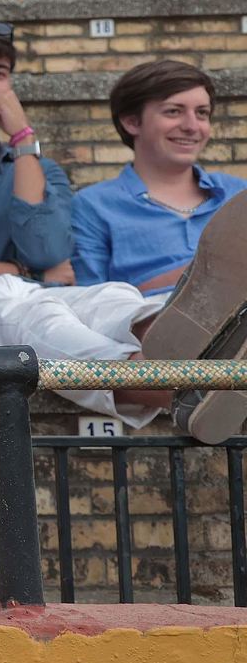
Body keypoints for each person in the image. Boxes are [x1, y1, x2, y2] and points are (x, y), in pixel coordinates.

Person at [0, 23, 241, 440]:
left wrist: (23, 141)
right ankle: (177, 391)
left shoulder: (39, 169)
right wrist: (17, 271)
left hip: (31, 292)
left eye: (0, 73)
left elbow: (46, 250)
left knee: (113, 298)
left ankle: (218, 343)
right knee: (32, 320)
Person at [72, 59, 247, 440]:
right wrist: (191, 275)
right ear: (132, 122)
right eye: (174, 112)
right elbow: (88, 299)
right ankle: (209, 377)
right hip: (151, 329)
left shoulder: (238, 196)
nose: (192, 125)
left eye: (202, 113)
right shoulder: (93, 205)